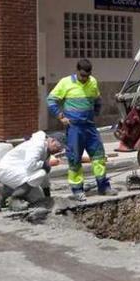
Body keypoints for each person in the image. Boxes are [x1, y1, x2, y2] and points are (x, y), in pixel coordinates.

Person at [47, 59, 118, 200]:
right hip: (74, 128)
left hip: (90, 127)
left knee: (98, 156)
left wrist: (96, 111)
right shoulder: (65, 82)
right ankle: (77, 189)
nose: (85, 79)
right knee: (74, 159)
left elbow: (97, 99)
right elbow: (51, 100)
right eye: (82, 76)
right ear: (77, 71)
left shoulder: (93, 82)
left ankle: (103, 186)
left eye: (87, 76)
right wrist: (61, 117)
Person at [0, 131, 63, 209]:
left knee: (38, 199)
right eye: (58, 147)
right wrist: (45, 165)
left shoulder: (46, 151)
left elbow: (44, 178)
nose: (59, 150)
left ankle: (5, 191)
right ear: (52, 140)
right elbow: (30, 165)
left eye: (61, 149)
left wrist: (47, 197)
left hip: (18, 171)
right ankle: (14, 198)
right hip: (7, 170)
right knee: (41, 173)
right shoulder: (37, 146)